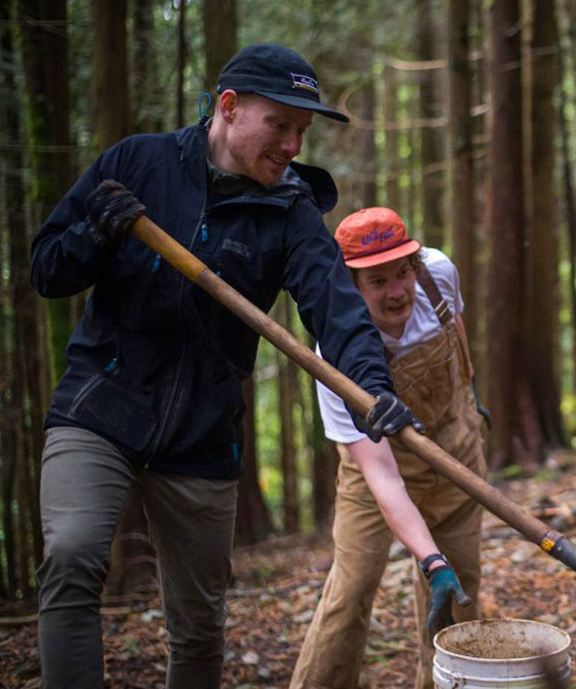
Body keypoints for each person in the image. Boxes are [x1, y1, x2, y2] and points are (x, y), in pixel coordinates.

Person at [30, 43, 424, 688]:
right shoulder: (139, 163)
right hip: (99, 407)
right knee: (71, 555)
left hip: (203, 433)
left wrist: (372, 389)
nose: (295, 144)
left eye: (304, 130)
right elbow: (47, 270)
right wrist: (96, 230)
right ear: (230, 107)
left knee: (199, 621)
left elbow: (336, 310)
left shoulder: (291, 210)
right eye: (281, 124)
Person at [291, 208, 486, 689]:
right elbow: (383, 479)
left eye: (402, 273)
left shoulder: (438, 273)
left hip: (454, 450)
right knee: (351, 590)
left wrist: (470, 402)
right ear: (351, 284)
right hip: (375, 470)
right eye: (378, 281)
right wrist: (428, 558)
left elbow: (456, 339)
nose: (397, 291)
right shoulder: (333, 356)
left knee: (459, 592)